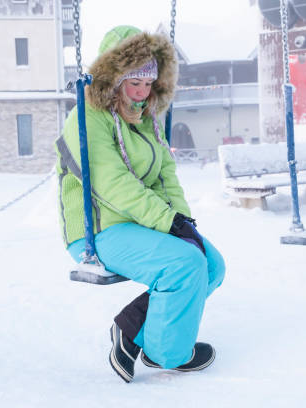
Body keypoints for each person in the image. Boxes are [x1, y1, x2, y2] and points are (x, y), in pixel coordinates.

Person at [54, 26, 225, 383]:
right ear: (114, 79)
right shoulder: (85, 120)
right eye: (135, 83)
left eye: (149, 84)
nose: (142, 93)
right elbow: (112, 183)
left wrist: (182, 221)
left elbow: (165, 174)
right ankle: (167, 354)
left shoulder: (145, 119)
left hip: (142, 222)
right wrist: (167, 223)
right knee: (184, 265)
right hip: (101, 229)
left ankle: (131, 328)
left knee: (210, 265)